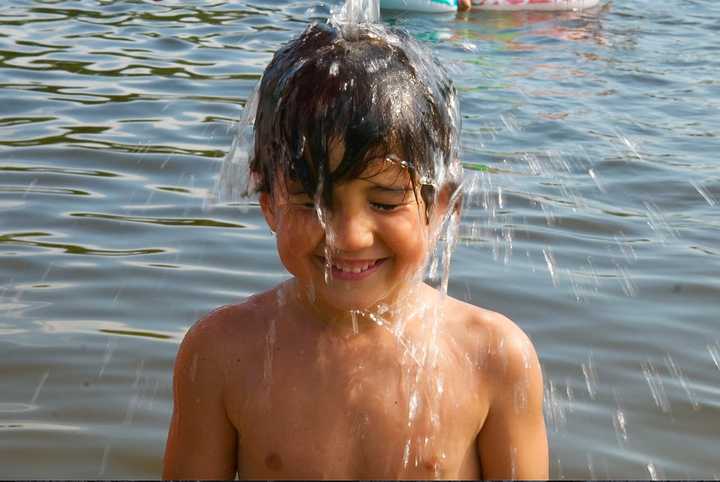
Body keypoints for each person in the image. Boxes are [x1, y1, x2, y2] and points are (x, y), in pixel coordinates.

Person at [163, 20, 547, 480]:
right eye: (312, 202)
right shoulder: (222, 354)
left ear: (441, 205)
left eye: (384, 202)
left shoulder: (493, 358)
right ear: (269, 204)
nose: (348, 237)